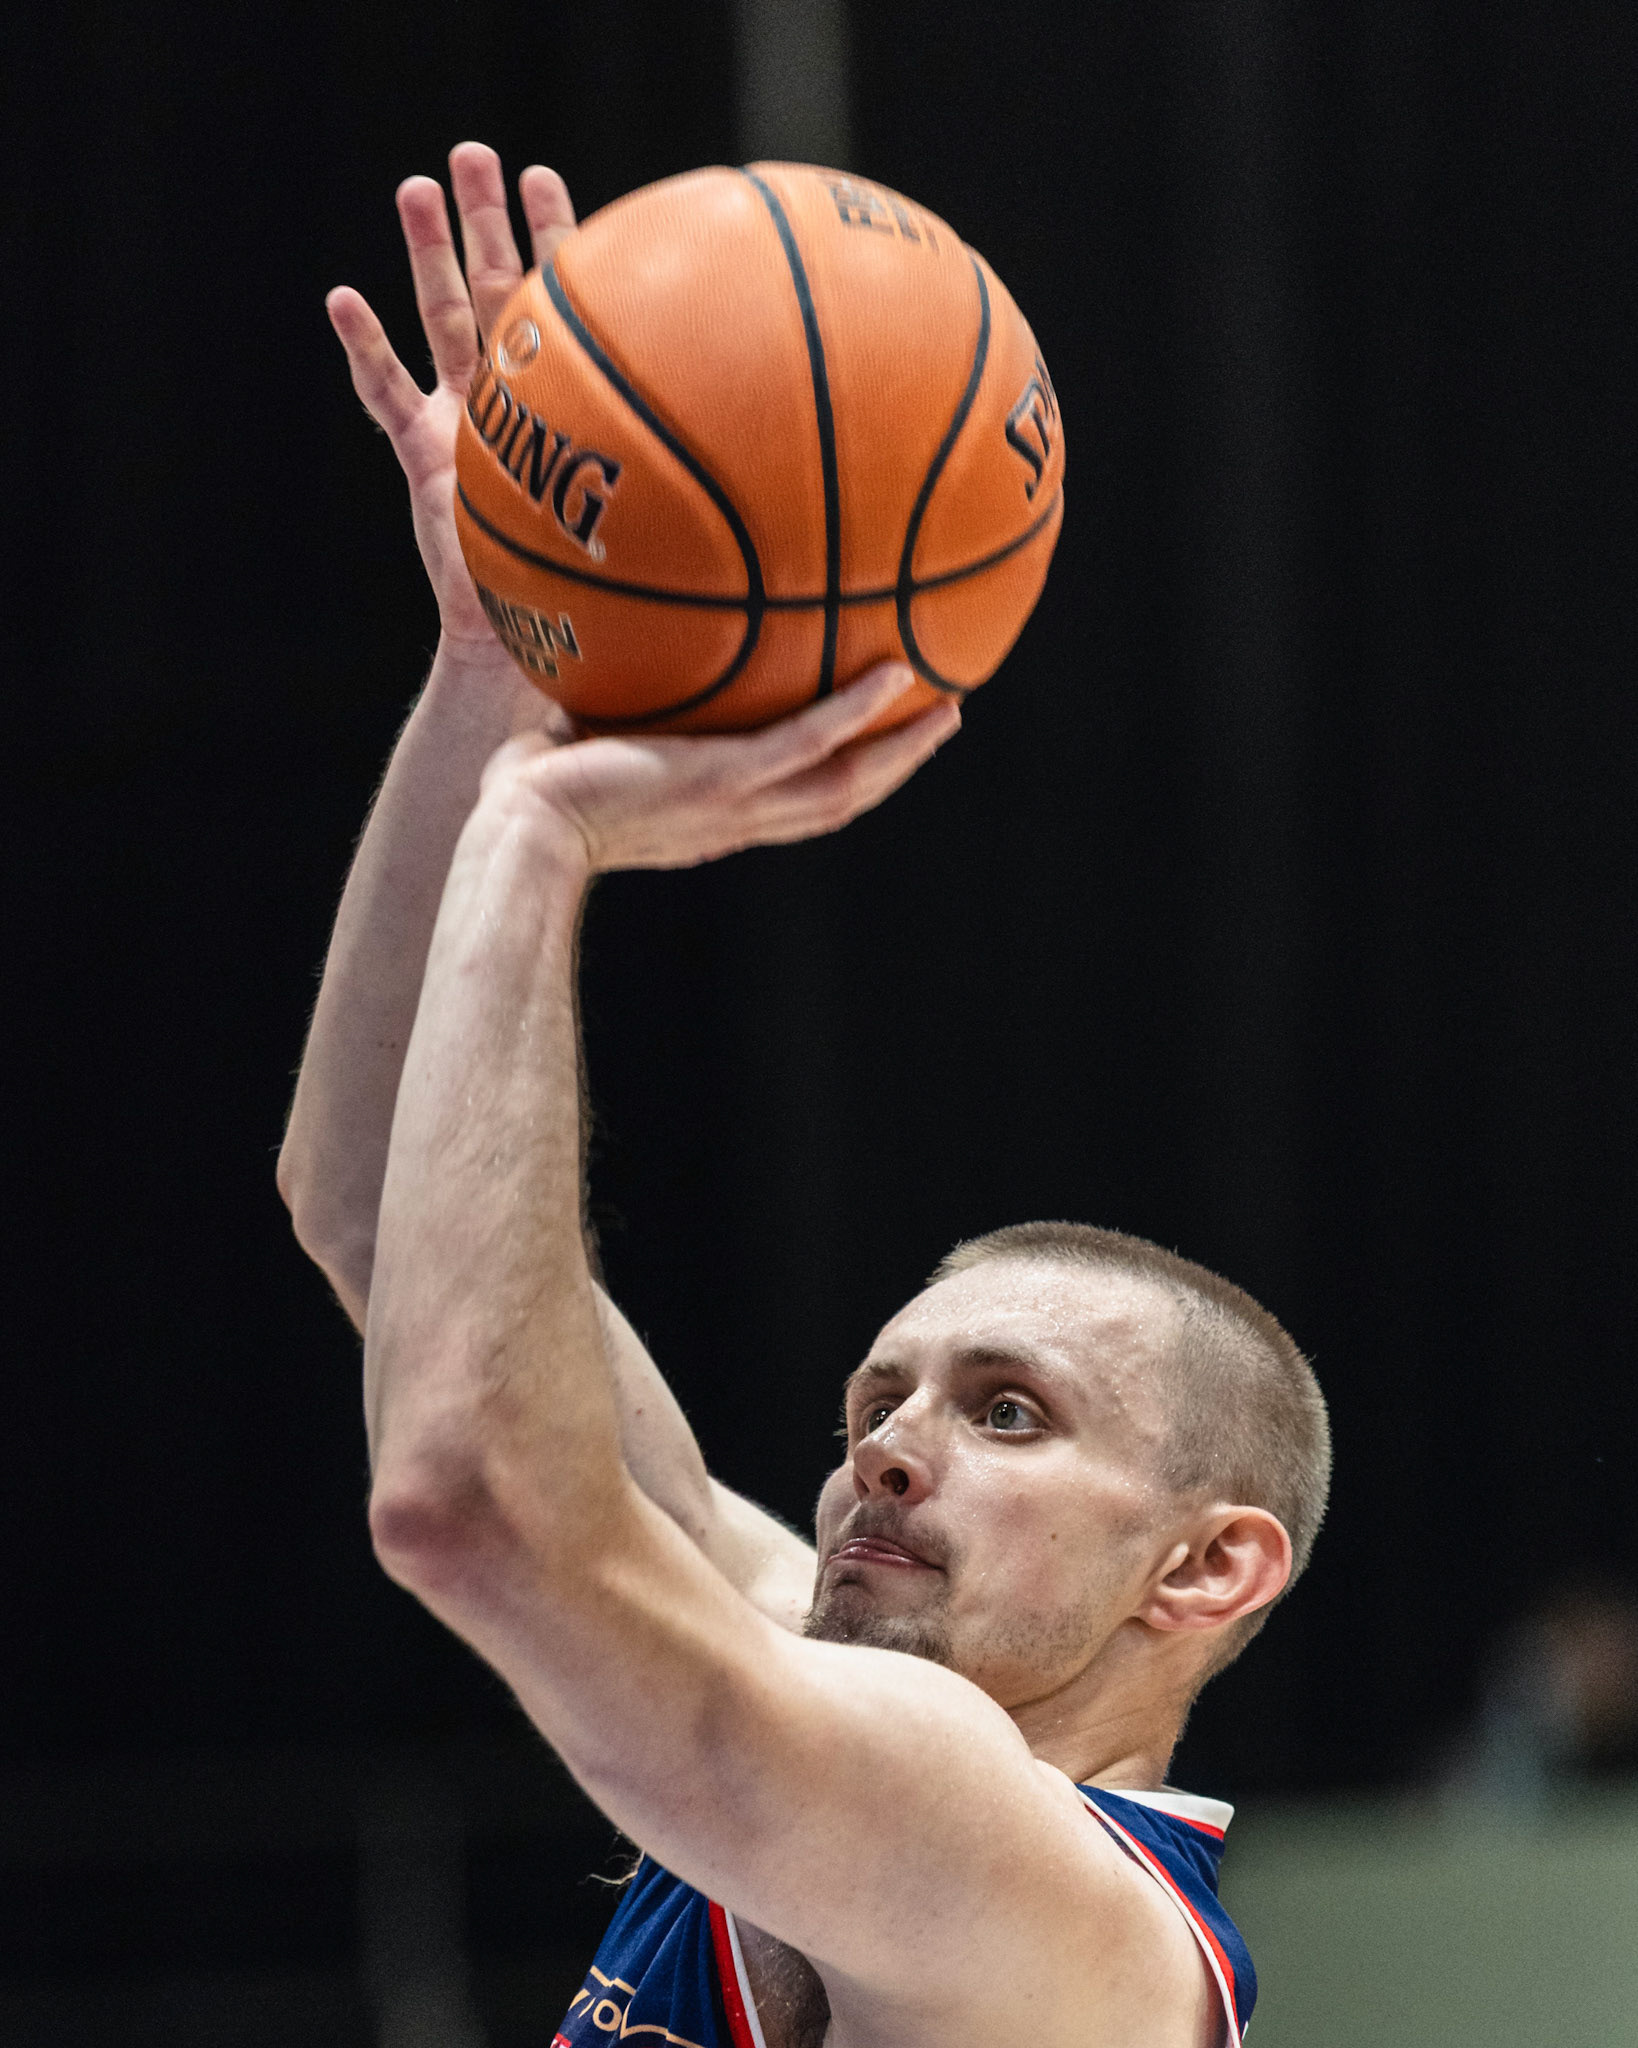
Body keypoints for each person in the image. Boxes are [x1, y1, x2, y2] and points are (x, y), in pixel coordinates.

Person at [280, 142, 1331, 2048]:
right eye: (881, 1399)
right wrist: (494, 675)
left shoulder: (1044, 1892)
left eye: (1010, 1413)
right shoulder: (822, 1684)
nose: (887, 1453)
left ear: (1205, 1561)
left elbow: (463, 1503)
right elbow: (366, 1196)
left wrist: (544, 837)